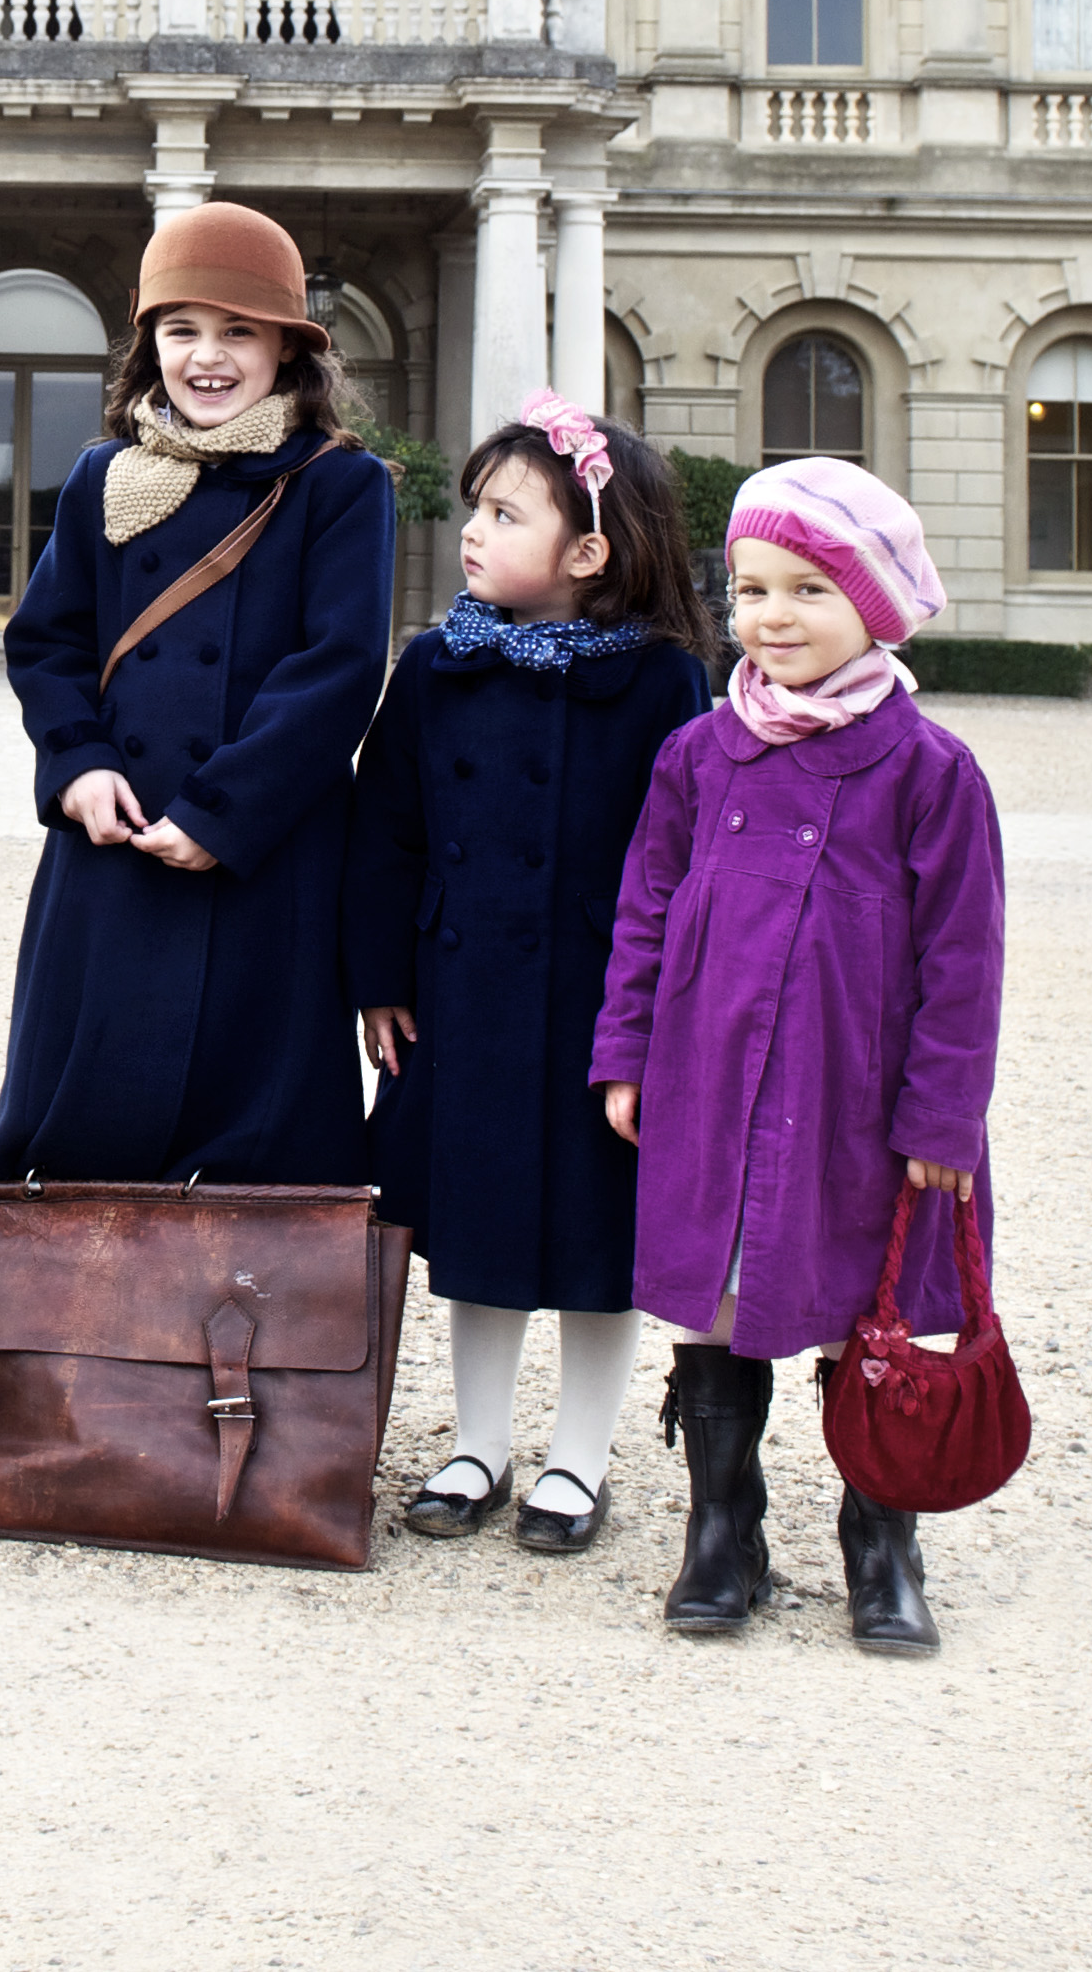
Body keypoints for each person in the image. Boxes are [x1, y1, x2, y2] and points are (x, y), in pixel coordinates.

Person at [589, 456, 1004, 1656]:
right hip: (715, 1079)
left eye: (809, 593)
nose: (772, 619)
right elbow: (646, 911)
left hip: (853, 1098)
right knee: (719, 1304)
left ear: (873, 606)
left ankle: (883, 1544)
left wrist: (942, 1122)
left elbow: (964, 964)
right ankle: (725, 1530)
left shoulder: (930, 772)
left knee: (855, 1312)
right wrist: (626, 1054)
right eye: (752, 590)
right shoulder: (700, 755)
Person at [350, 396, 721, 1555]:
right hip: (462, 995)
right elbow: (385, 825)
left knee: (597, 1233)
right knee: (475, 1224)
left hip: (599, 1005)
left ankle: (580, 1458)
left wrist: (660, 1017)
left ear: (589, 551)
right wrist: (378, 977)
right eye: (476, 509)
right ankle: (477, 1442)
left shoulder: (662, 682)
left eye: (506, 514)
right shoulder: (433, 664)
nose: (473, 531)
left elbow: (684, 861)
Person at [0, 202, 397, 1186]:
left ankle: (252, 1332)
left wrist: (222, 812)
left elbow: (336, 672)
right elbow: (47, 642)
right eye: (182, 328)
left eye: (238, 331)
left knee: (257, 1142)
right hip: (114, 842)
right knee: (76, 1128)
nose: (208, 356)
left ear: (287, 349)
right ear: (148, 343)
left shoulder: (341, 486)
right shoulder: (99, 476)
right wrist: (76, 766)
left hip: (263, 855)